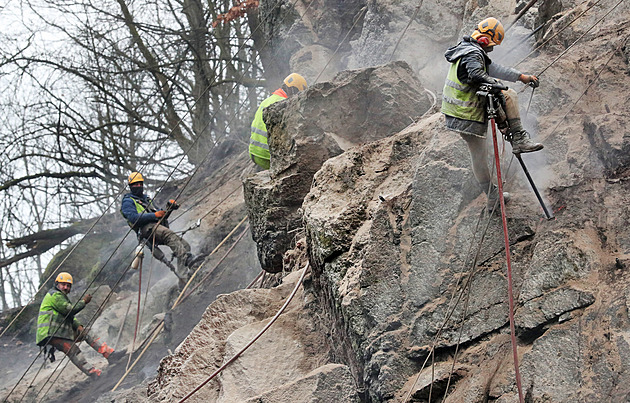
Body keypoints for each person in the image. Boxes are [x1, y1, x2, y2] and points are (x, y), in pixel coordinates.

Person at [441, 17, 543, 210]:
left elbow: (492, 68)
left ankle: (492, 196)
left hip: (456, 115)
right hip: (466, 113)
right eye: (492, 45)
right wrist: (497, 85)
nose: (491, 49)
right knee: (509, 95)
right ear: (485, 40)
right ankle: (519, 138)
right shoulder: (473, 53)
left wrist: (521, 77)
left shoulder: (466, 49)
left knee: (478, 156)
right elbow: (476, 74)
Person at [36, 272, 123, 377]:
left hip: (60, 332)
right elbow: (69, 310)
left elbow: (68, 316)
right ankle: (94, 374)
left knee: (86, 332)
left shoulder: (60, 297)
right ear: (57, 284)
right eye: (63, 284)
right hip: (51, 333)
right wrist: (83, 302)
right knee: (73, 351)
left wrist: (78, 326)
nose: (66, 287)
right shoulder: (55, 295)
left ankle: (109, 354)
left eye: (68, 286)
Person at [120, 172, 198, 283]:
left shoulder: (146, 199)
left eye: (139, 184)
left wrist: (169, 207)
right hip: (145, 229)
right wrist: (154, 215)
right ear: (130, 186)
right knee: (169, 235)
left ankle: (184, 278)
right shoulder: (128, 201)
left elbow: (160, 214)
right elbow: (133, 218)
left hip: (156, 227)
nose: (138, 186)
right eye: (134, 184)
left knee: (185, 245)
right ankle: (188, 259)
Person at [249, 73, 308, 170]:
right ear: (293, 90)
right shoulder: (284, 104)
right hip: (267, 157)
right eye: (298, 93)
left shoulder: (267, 100)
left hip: (254, 153)